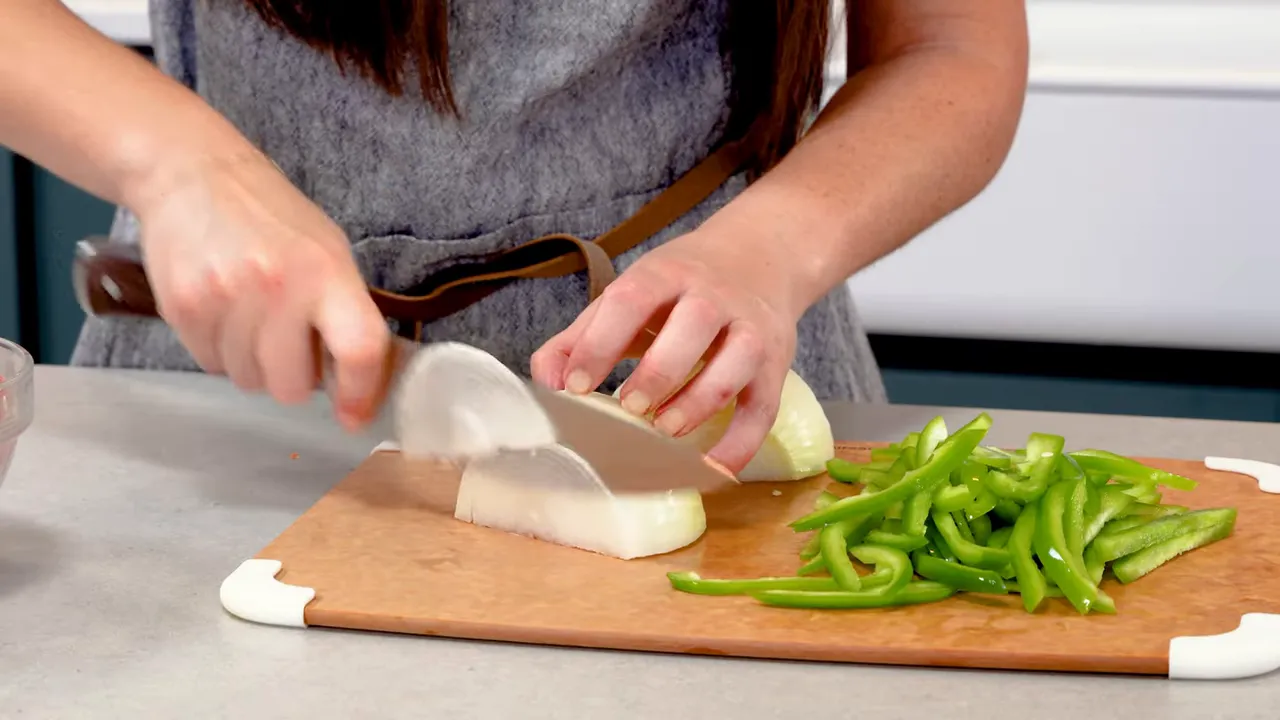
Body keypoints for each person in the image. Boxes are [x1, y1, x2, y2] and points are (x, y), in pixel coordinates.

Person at [0, 0, 1027, 473]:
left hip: (694, 391)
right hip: (231, 390)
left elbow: (952, 45)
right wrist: (181, 169)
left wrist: (770, 249)